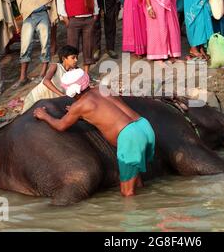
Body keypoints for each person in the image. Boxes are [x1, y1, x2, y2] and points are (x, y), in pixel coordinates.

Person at [33, 68, 156, 197]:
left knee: (127, 193)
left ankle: (135, 214)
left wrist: (44, 116)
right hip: (143, 125)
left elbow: (60, 125)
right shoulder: (103, 88)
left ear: (71, 91)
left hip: (130, 137)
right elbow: (109, 110)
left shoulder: (80, 105)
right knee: (135, 179)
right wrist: (80, 113)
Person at [13, 0, 58, 89]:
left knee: (45, 43)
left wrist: (52, 15)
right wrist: (26, 10)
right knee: (25, 45)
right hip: (28, 16)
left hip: (42, 14)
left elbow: (52, 1)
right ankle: (23, 77)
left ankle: (43, 73)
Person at [56, 0, 99, 74]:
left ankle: (86, 73)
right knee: (71, 48)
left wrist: (95, 13)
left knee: (88, 46)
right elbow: (60, 0)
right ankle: (72, 73)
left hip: (89, 18)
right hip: (72, 19)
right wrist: (65, 18)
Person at [22, 45, 78, 113]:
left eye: (77, 57)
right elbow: (46, 81)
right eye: (73, 58)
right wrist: (62, 95)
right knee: (25, 119)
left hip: (48, 103)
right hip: (35, 98)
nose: (76, 60)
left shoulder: (75, 71)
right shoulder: (55, 66)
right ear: (64, 59)